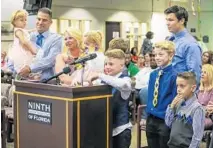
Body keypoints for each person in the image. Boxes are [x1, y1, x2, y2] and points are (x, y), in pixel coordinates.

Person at [87, 49, 132, 148]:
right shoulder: (103, 80)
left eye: (111, 64)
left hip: (120, 131)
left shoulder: (125, 80)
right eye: (106, 64)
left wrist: (100, 75)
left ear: (122, 66)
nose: (107, 67)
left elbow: (123, 84)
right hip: (105, 129)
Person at [16, 7, 62, 81]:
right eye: (39, 19)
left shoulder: (56, 39)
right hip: (25, 80)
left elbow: (51, 60)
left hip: (46, 82)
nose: (40, 22)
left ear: (50, 22)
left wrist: (30, 68)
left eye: (44, 20)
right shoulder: (28, 36)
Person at [146, 41, 177, 148]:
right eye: (155, 55)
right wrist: (146, 116)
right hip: (151, 118)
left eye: (161, 54)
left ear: (171, 55)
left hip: (164, 120)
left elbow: (175, 99)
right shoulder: (153, 74)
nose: (157, 58)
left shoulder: (175, 75)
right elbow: (150, 96)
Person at [165, 72, 205, 148]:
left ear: (193, 88)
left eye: (182, 86)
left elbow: (197, 137)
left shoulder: (197, 109)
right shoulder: (178, 103)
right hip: (172, 145)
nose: (178, 90)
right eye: (177, 86)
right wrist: (171, 107)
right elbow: (168, 123)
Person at [164, 5, 202, 84]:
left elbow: (194, 76)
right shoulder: (170, 40)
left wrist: (183, 95)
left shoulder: (190, 44)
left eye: (170, 20)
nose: (167, 23)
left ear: (181, 21)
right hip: (166, 86)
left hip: (179, 91)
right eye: (166, 20)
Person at [198, 64, 213, 129]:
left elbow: (209, 110)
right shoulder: (199, 89)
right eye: (201, 72)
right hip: (197, 115)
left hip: (207, 118)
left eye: (205, 72)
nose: (202, 74)